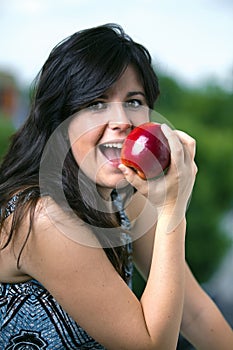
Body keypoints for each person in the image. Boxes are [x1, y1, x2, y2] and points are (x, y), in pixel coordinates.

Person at [0, 23, 232, 350]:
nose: (122, 119)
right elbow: (151, 346)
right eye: (96, 103)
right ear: (60, 120)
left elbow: (196, 314)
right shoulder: (45, 219)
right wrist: (172, 211)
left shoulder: (125, 199)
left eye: (134, 101)